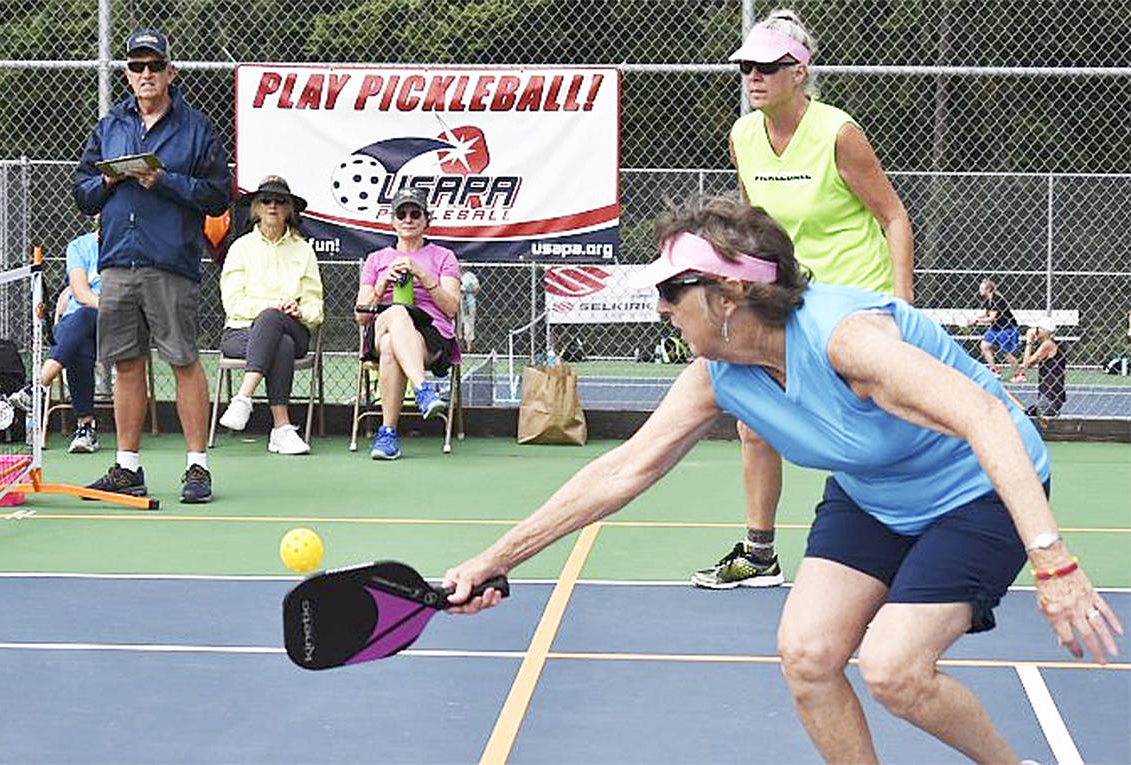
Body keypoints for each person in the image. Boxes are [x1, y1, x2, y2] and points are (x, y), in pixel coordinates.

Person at [443, 195, 1122, 763]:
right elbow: (625, 467)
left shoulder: (845, 338)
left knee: (894, 668)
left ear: (731, 294)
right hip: (873, 491)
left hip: (977, 489)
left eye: (672, 290)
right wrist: (494, 559)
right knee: (807, 655)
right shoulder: (720, 372)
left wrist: (1054, 563)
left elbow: (986, 415)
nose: (659, 307)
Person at [692, 8, 916, 589]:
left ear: (799, 72)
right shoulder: (744, 135)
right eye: (747, 67)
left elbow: (893, 216)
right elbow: (753, 223)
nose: (754, 77)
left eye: (768, 66)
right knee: (753, 420)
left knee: (869, 431)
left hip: (854, 302)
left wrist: (902, 307)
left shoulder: (838, 133)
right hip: (789, 298)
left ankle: (901, 541)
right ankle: (759, 555)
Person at [73, 28, 231, 503]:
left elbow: (218, 195)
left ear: (170, 72)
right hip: (118, 260)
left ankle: (197, 467)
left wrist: (161, 179)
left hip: (171, 261)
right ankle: (127, 468)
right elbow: (82, 190)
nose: (146, 74)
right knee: (125, 364)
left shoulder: (198, 128)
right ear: (127, 73)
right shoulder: (110, 126)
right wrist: (109, 179)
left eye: (154, 66)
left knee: (183, 361)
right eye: (137, 67)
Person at [217, 175, 323, 455]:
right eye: (266, 201)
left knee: (275, 324)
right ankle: (281, 428)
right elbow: (233, 303)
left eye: (280, 201)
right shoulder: (240, 248)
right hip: (241, 333)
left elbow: (316, 308)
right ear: (256, 208)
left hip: (294, 327)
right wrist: (273, 306)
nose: (273, 206)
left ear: (289, 209)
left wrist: (299, 310)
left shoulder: (304, 250)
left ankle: (243, 397)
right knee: (279, 339)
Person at [353, 187, 461, 460]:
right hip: (381, 325)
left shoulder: (444, 257)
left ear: (427, 220)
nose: (408, 219)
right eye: (402, 213)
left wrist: (423, 276)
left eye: (416, 213)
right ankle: (423, 388)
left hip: (430, 335)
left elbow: (451, 308)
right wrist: (381, 285)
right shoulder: (376, 260)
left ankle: (387, 434)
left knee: (391, 345)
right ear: (393, 221)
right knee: (397, 313)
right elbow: (361, 316)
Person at [9, 224, 102, 453]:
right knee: (80, 335)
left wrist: (111, 307)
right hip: (78, 323)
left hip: (115, 323)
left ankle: (37, 386)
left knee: (81, 322)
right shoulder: (79, 247)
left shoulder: (128, 247)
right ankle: (85, 430)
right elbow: (80, 293)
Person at [972, 276, 1026, 383]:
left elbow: (992, 317)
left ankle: (1020, 374)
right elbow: (987, 314)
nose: (980, 291)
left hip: (1007, 328)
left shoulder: (997, 300)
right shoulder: (988, 301)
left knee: (1006, 352)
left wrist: (978, 321)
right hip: (996, 328)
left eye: (982, 289)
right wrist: (977, 318)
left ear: (988, 290)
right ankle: (995, 370)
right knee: (984, 345)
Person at [1022, 317, 1066, 417]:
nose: (1035, 332)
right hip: (1049, 392)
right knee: (1030, 413)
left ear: (1044, 331)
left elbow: (1026, 364)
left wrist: (1029, 342)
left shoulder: (1048, 344)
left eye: (1037, 329)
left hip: (1049, 393)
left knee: (1042, 424)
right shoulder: (1051, 343)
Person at [459, 268, 480, 353]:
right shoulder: (453, 272)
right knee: (457, 324)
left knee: (469, 323)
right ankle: (458, 346)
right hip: (457, 302)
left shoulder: (469, 275)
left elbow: (477, 287)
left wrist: (468, 289)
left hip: (469, 302)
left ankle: (469, 347)